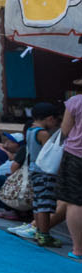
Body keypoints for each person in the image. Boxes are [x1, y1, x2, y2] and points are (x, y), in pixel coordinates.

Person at [9, 102, 64, 247]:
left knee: (38, 203)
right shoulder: (43, 133)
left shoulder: (30, 130)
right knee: (46, 205)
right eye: (56, 121)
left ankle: (39, 231)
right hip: (45, 171)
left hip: (34, 170)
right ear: (50, 118)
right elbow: (50, 153)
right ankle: (44, 234)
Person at [57, 90, 82, 261]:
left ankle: (78, 249)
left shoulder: (75, 101)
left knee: (75, 202)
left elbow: (65, 130)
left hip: (75, 156)